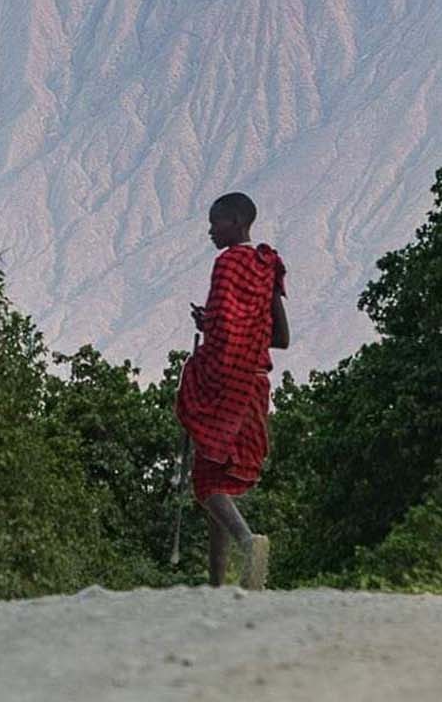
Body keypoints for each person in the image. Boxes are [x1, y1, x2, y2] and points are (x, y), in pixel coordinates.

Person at [177, 192, 289, 589]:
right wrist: (216, 324)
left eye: (216, 222)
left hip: (225, 383)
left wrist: (209, 327)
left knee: (206, 483)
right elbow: (281, 337)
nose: (210, 231)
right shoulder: (267, 266)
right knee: (216, 480)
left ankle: (248, 542)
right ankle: (217, 584)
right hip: (254, 383)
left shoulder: (227, 264)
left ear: (238, 222)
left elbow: (225, 333)